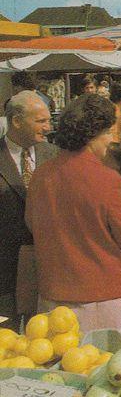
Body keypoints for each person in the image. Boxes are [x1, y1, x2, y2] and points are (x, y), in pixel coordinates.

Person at [25, 94, 121, 336]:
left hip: (54, 296)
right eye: (108, 133)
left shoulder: (41, 175)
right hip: (105, 296)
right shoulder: (107, 179)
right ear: (92, 136)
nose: (111, 140)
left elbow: (31, 223)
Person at [0, 91, 57, 326]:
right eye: (41, 121)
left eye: (49, 120)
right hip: (4, 273)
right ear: (16, 121)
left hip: (46, 267)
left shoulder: (53, 154)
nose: (48, 127)